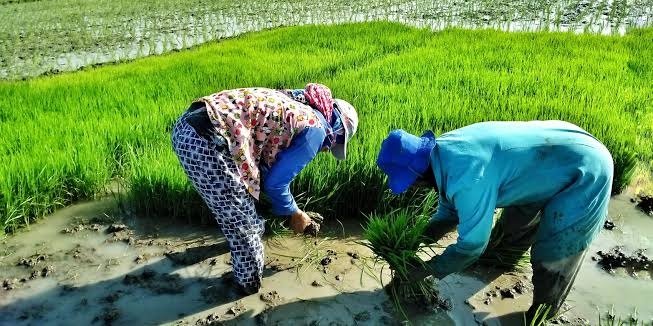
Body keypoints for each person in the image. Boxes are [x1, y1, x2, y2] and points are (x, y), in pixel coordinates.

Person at [376, 120, 613, 320]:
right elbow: (451, 212)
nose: (411, 186)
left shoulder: (467, 177)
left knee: (553, 255)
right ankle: (502, 271)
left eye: (409, 181)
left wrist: (429, 269)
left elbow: (472, 245)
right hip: (543, 164)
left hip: (585, 168)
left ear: (418, 174)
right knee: (510, 234)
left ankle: (542, 314)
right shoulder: (441, 155)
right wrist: (418, 239)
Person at [172, 84, 358, 295]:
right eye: (335, 143)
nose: (327, 150)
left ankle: (224, 251)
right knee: (246, 227)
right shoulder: (315, 130)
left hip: (189, 127)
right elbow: (276, 184)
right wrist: (295, 213)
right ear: (338, 129)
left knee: (240, 209)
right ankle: (246, 289)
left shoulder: (298, 103)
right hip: (207, 141)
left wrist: (287, 211)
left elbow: (264, 170)